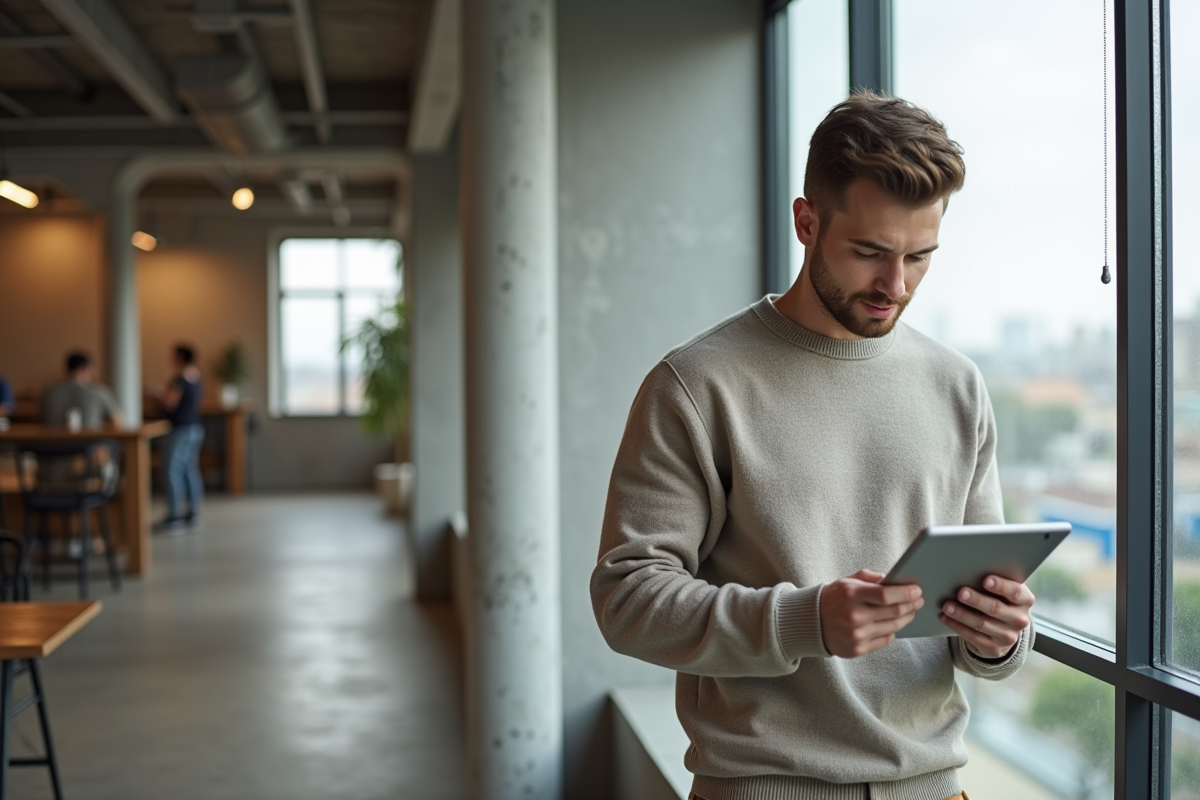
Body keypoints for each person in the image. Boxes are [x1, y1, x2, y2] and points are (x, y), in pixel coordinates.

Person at [591, 91, 1035, 800]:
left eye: (920, 256)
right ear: (806, 221)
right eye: (870, 253)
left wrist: (999, 639)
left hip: (936, 787)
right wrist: (805, 620)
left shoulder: (958, 384)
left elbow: (979, 608)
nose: (896, 285)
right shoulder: (696, 383)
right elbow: (628, 600)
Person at [154, 344, 204, 533]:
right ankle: (193, 513)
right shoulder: (196, 377)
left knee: (171, 472)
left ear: (181, 357)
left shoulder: (179, 379)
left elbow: (170, 403)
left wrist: (156, 393)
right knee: (190, 471)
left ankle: (174, 516)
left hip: (180, 430)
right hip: (196, 428)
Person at [40, 351, 124, 429]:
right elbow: (117, 423)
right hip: (90, 443)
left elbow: (40, 420)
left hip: (50, 443)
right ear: (86, 369)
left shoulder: (48, 392)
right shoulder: (99, 391)